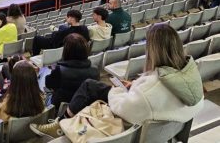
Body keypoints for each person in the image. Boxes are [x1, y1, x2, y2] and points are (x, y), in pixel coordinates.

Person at [31, 24, 204, 139]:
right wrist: (135, 87)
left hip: (132, 122)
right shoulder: (190, 76)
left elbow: (124, 108)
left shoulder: (151, 89)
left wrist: (119, 90)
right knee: (91, 85)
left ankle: (61, 122)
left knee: (90, 87)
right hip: (162, 124)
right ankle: (61, 121)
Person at [44, 34, 99, 110]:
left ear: (66, 50)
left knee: (43, 73)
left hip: (59, 107)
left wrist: (53, 70)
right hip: (83, 107)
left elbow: (48, 84)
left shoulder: (59, 70)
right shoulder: (95, 69)